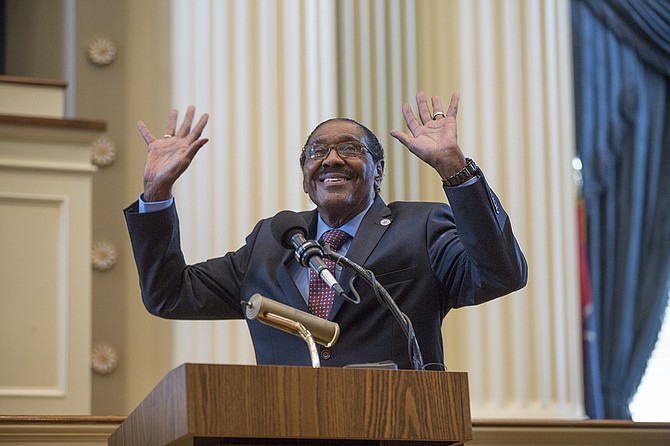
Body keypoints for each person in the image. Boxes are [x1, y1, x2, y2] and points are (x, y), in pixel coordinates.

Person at [124, 91, 528, 369]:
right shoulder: (272, 240)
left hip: (393, 427)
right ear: (305, 179)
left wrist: (455, 170)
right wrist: (156, 193)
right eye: (317, 152)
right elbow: (169, 294)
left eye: (350, 148)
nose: (332, 158)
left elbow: (501, 273)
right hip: (284, 431)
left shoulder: (422, 226)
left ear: (378, 172)